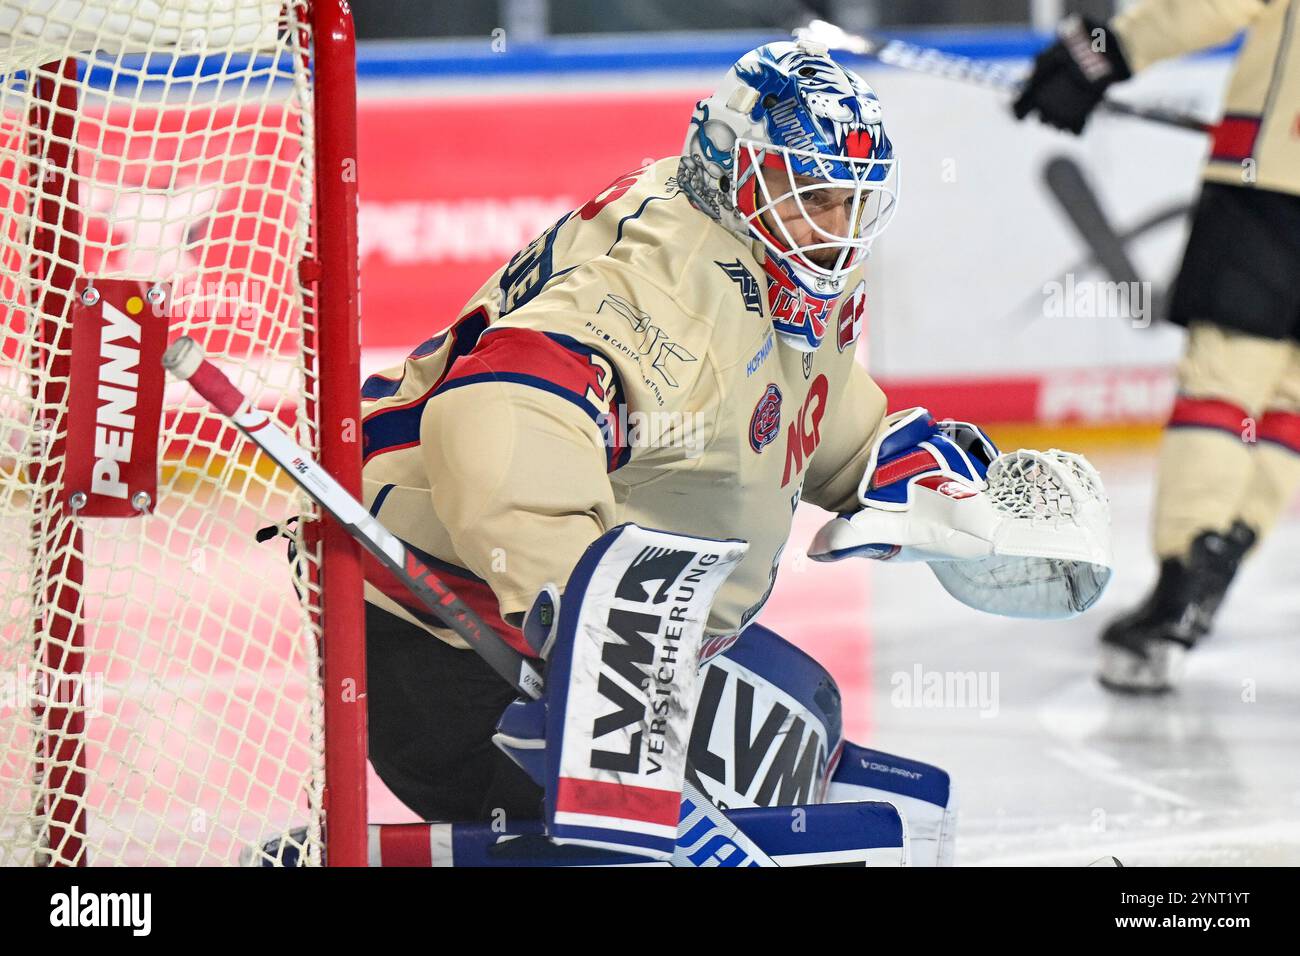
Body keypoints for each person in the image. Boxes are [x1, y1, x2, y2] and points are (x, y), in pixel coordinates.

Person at [357, 39, 986, 838]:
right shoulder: (668, 282)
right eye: (811, 194)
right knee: (622, 841)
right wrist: (585, 634)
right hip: (447, 630)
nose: (836, 228)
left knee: (828, 744)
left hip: (607, 634)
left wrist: (896, 467)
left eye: (852, 199)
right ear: (732, 166)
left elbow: (779, 398)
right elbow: (500, 413)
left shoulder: (772, 247)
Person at [1013, 0, 1300, 693]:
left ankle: (1186, 571)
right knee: (1290, 391)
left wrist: (1099, 52)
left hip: (1273, 182)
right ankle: (1222, 550)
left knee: (1227, 376)